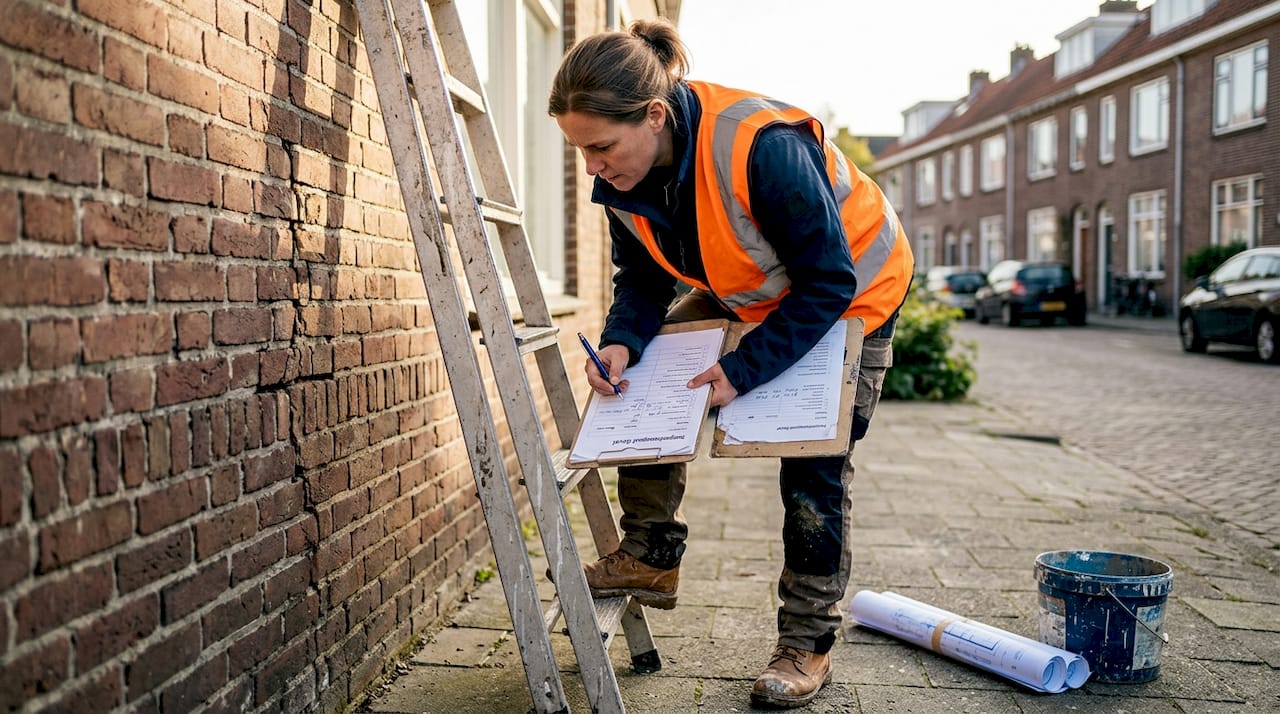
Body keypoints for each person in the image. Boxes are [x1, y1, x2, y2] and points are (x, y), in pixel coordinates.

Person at [548, 18, 914, 709]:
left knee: (812, 457)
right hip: (756, 287)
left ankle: (807, 641)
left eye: (600, 147)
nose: (591, 166)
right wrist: (624, 340)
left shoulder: (760, 148)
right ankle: (652, 552)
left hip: (852, 293)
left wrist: (743, 373)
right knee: (643, 373)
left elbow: (828, 281)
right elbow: (644, 281)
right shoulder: (623, 174)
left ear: (654, 116)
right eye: (579, 151)